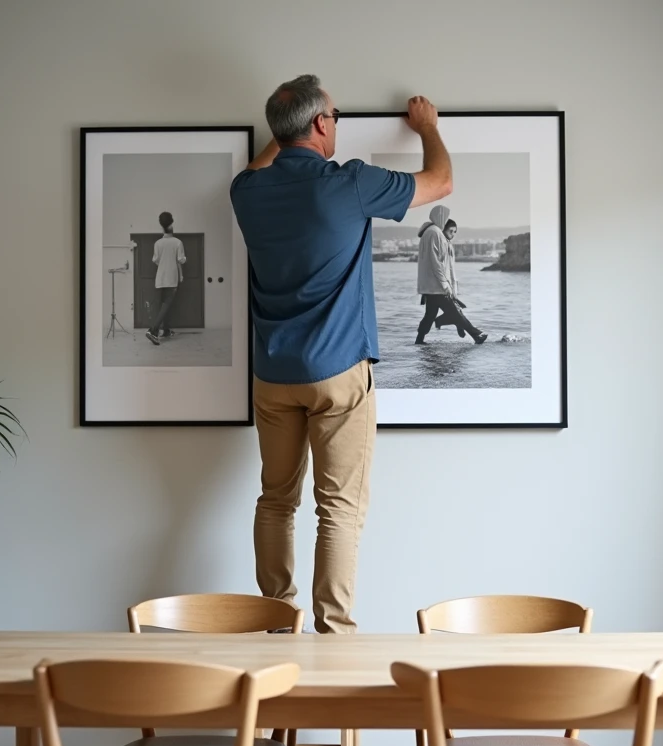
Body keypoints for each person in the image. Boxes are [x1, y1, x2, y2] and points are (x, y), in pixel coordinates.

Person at [229, 75, 453, 633]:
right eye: (335, 117)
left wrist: (284, 132)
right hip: (338, 371)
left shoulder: (246, 192)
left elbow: (261, 166)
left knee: (276, 500)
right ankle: (334, 635)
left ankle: (278, 625)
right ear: (322, 125)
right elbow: (441, 181)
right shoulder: (350, 184)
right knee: (340, 510)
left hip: (273, 376)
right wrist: (427, 127)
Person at [415, 208, 486, 344]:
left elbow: (445, 266)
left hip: (434, 285)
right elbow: (436, 263)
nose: (453, 235)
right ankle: (476, 335)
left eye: (455, 232)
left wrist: (452, 286)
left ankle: (419, 341)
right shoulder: (435, 234)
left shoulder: (436, 235)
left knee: (430, 314)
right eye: (451, 231)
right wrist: (445, 285)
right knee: (455, 311)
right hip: (438, 286)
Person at [145, 211, 185, 346]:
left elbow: (155, 260)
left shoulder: (157, 243)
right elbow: (181, 260)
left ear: (161, 225)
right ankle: (153, 330)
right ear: (172, 223)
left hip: (160, 278)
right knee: (166, 305)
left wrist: (163, 263)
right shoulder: (177, 242)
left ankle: (166, 330)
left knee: (162, 306)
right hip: (171, 278)